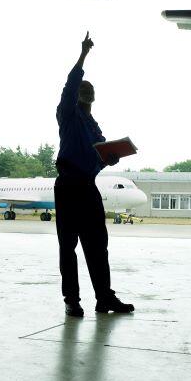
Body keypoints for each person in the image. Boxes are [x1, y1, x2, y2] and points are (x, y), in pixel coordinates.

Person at [54, 32, 135, 317]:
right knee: (69, 246)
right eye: (83, 90)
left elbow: (96, 158)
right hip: (67, 186)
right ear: (76, 94)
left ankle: (104, 298)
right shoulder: (67, 114)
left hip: (87, 186)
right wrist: (84, 54)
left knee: (98, 246)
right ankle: (72, 300)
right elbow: (70, 83)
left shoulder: (93, 126)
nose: (87, 93)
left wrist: (109, 159)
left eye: (91, 91)